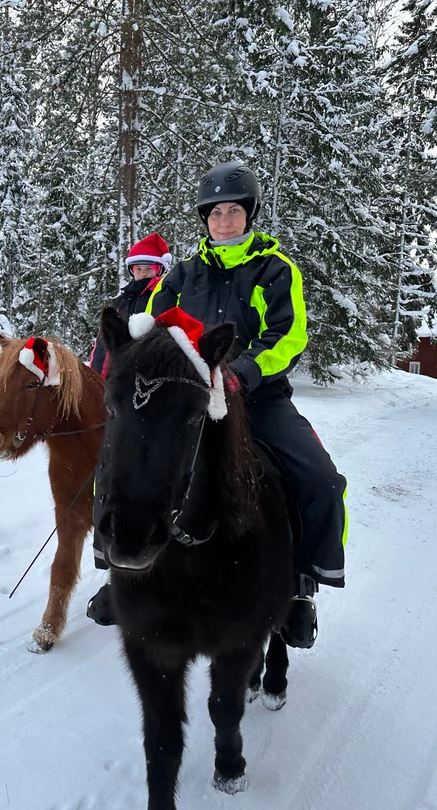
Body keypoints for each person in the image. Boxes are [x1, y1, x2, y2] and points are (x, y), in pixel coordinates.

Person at [87, 161, 348, 649]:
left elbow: (289, 336)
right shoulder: (183, 273)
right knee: (114, 466)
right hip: (182, 395)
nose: (224, 222)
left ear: (248, 215)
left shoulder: (276, 269)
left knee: (323, 482)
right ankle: (117, 567)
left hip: (257, 397)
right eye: (216, 214)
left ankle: (301, 587)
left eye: (234, 212)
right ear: (204, 219)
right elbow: (155, 327)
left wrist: (239, 374)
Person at [88, 232, 171, 374]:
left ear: (159, 270)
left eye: (148, 269)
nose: (143, 274)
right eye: (138, 269)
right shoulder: (122, 301)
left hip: (152, 375)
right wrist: (96, 375)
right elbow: (104, 343)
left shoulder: (165, 298)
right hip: (119, 374)